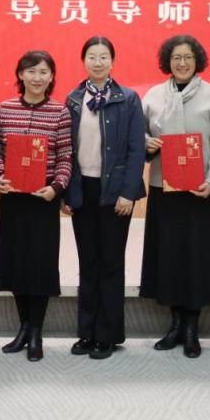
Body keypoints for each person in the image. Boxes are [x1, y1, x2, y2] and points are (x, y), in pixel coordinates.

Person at [140, 34, 210, 358]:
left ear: (198, 62)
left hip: (199, 192)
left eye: (188, 58)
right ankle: (175, 324)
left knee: (196, 259)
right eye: (176, 57)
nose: (182, 63)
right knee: (169, 257)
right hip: (164, 190)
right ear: (168, 61)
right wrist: (147, 143)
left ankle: (192, 328)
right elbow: (139, 133)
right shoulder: (154, 96)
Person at [63, 36, 145, 360]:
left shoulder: (128, 99)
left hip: (115, 191)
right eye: (92, 57)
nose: (97, 62)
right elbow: (66, 150)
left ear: (113, 61)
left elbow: (136, 149)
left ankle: (107, 335)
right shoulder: (73, 99)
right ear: (83, 61)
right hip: (83, 188)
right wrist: (67, 191)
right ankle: (87, 332)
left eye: (103, 57)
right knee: (88, 262)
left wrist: (128, 192)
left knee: (111, 262)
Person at [0, 50, 73, 362]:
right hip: (13, 199)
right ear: (20, 74)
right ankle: (23, 327)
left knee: (39, 265)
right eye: (31, 71)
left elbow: (65, 156)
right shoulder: (5, 109)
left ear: (51, 77)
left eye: (43, 72)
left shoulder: (60, 112)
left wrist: (56, 188)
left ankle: (36, 331)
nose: (37, 78)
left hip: (43, 199)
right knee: (15, 263)